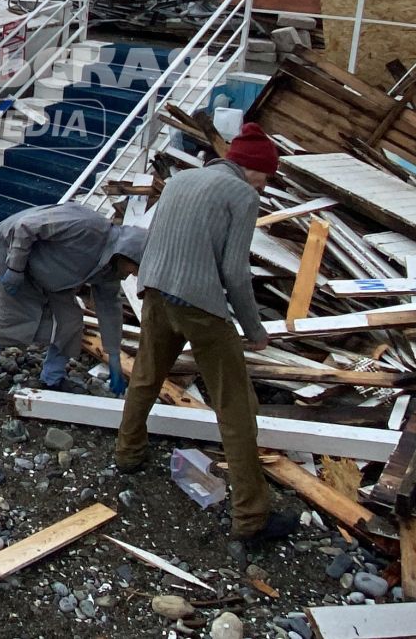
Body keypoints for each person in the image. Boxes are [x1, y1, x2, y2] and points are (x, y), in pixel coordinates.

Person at [112, 122, 298, 552]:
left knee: (145, 377)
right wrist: (254, 330)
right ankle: (252, 517)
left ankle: (128, 454)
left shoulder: (180, 180)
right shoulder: (243, 195)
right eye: (265, 176)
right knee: (234, 405)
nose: (265, 185)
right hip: (199, 304)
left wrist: (148, 285)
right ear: (251, 169)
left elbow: (153, 238)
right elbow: (234, 271)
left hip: (156, 290)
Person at [0, 202, 149, 405]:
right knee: (0, 316)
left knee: (70, 323)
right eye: (136, 267)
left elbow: (109, 308)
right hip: (11, 251)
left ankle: (52, 378)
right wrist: (15, 268)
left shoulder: (112, 269)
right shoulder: (87, 226)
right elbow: (24, 226)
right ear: (126, 254)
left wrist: (114, 354)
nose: (134, 274)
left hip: (52, 274)